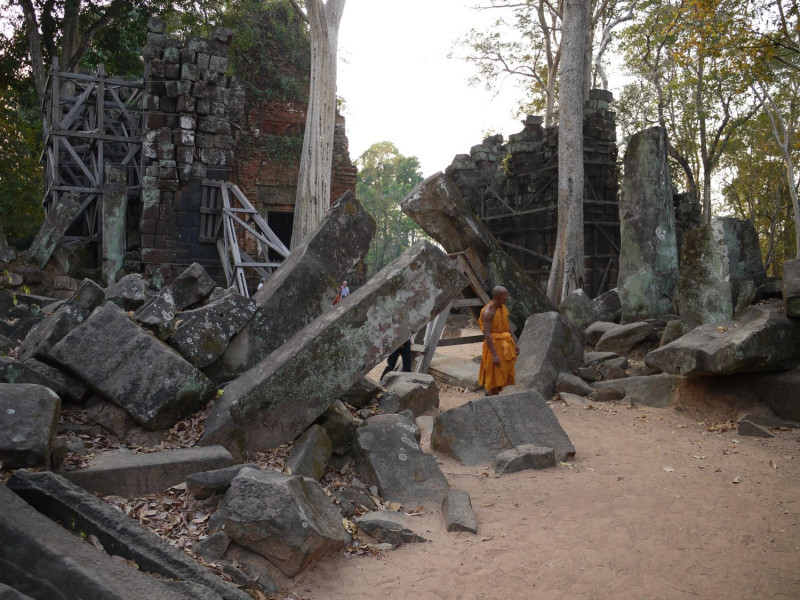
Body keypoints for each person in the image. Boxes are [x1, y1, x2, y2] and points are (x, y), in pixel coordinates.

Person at [478, 285, 518, 395]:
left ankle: (490, 395)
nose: (507, 298)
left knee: (502, 375)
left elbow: (507, 325)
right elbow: (486, 333)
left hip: (504, 345)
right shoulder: (488, 311)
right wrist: (494, 354)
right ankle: (492, 399)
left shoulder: (503, 308)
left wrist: (514, 341)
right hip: (493, 347)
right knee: (494, 378)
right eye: (505, 296)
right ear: (498, 296)